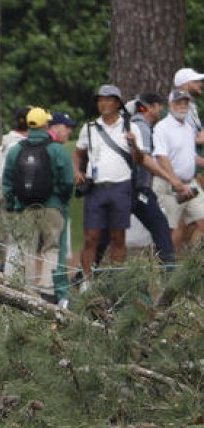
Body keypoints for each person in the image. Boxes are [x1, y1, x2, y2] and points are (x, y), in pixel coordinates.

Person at [1, 108, 75, 305]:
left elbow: (7, 182)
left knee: (27, 249)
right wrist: (61, 200)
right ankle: (48, 292)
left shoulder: (16, 150)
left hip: (24, 208)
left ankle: (28, 291)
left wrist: (12, 205)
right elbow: (68, 181)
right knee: (51, 248)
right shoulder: (57, 149)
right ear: (45, 125)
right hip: (52, 207)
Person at [74, 85, 143, 285]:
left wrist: (135, 144)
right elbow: (78, 153)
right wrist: (77, 171)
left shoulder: (130, 127)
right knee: (90, 237)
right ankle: (87, 282)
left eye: (108, 99)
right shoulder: (89, 128)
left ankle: (116, 281)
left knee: (118, 236)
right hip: (95, 188)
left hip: (121, 187)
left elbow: (139, 159)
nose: (103, 103)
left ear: (117, 103)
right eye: (100, 100)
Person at [98, 93, 175, 264]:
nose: (162, 109)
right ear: (151, 107)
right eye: (159, 106)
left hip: (127, 189)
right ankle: (170, 270)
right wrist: (170, 178)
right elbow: (144, 160)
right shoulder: (142, 127)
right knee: (159, 226)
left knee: (107, 234)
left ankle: (83, 274)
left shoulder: (130, 125)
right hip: (135, 189)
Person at [153, 89, 204, 251]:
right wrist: (176, 181)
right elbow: (161, 157)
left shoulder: (189, 128)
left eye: (185, 102)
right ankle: (167, 270)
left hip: (190, 184)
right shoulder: (162, 127)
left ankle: (192, 265)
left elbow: (190, 156)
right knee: (171, 230)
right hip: (169, 185)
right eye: (178, 102)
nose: (182, 106)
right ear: (170, 105)